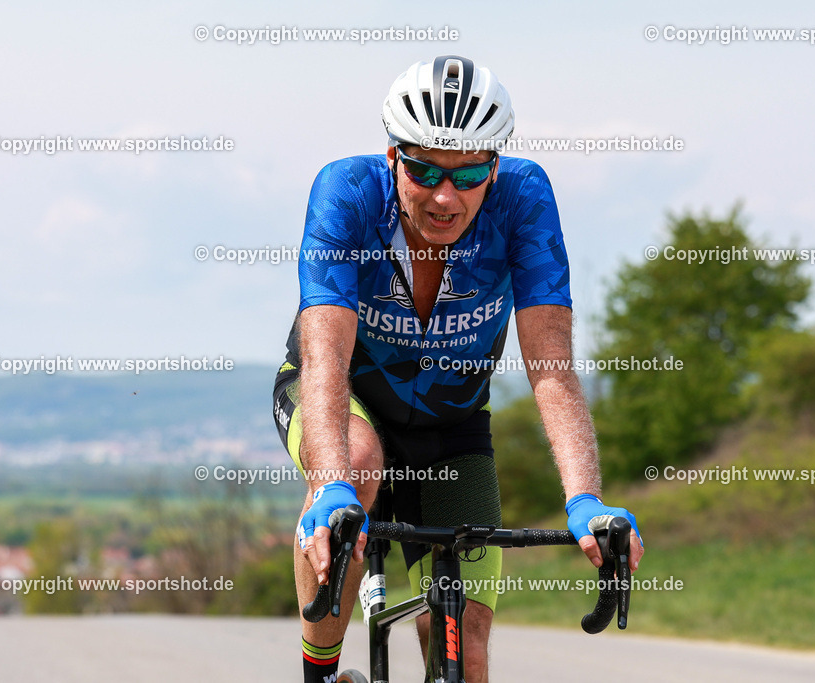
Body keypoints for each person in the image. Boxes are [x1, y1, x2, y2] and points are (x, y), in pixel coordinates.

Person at [273, 55, 644, 683]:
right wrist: (332, 479)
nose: (446, 195)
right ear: (393, 157)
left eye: (470, 171)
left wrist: (586, 499)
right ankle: (320, 670)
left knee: (467, 648)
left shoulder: (523, 199)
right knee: (355, 473)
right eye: (424, 168)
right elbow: (327, 356)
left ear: (493, 166)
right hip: (341, 399)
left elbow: (551, 364)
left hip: (451, 424)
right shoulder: (348, 193)